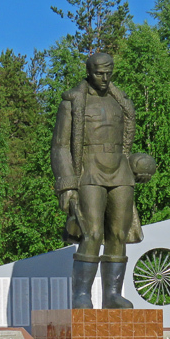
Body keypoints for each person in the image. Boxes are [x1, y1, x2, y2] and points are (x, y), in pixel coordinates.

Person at [51, 52, 152, 309]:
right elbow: (60, 146)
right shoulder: (72, 102)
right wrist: (67, 184)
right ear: (89, 71)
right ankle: (82, 295)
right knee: (92, 232)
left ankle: (112, 296)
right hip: (89, 171)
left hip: (120, 171)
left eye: (109, 72)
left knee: (119, 233)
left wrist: (139, 164)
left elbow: (126, 143)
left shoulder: (120, 102)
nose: (105, 78)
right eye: (99, 73)